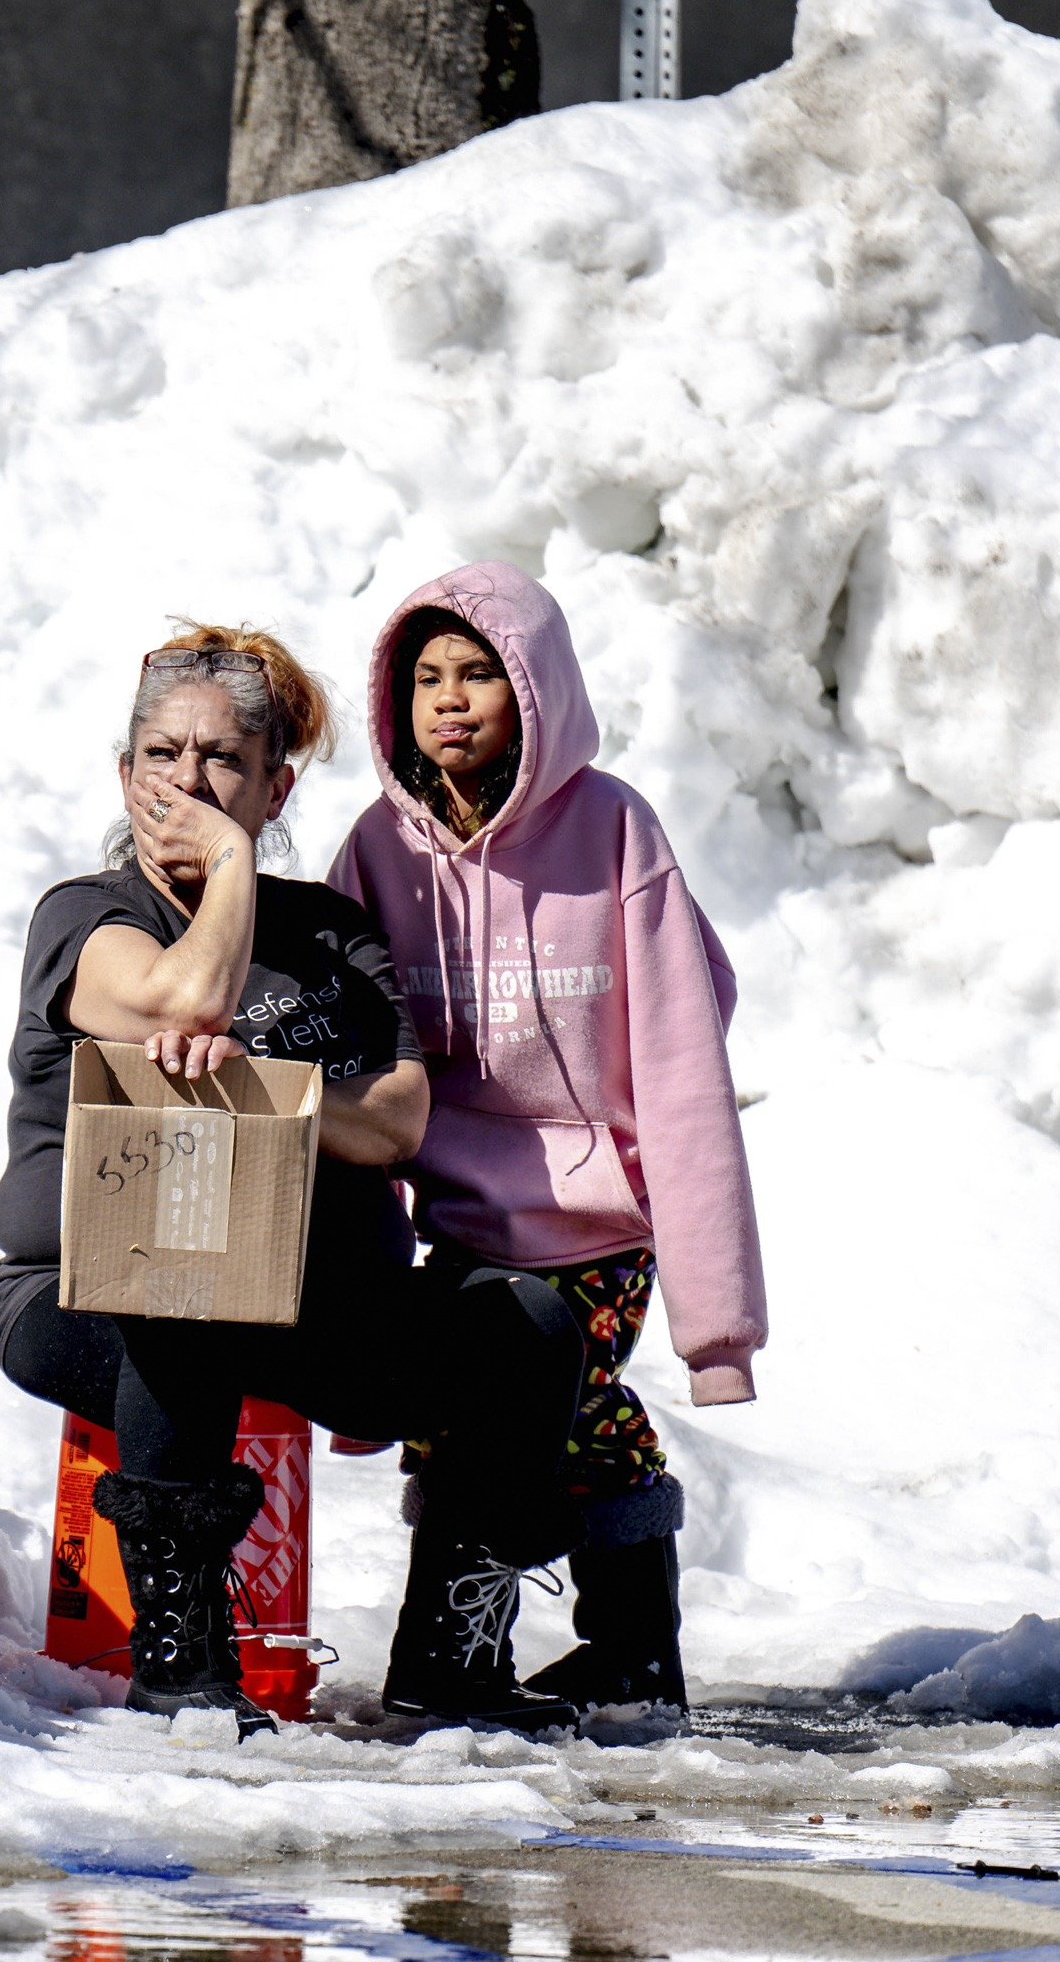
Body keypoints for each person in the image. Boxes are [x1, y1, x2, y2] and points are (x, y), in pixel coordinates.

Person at [0, 622, 592, 1737]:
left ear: (276, 785)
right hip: (86, 1292)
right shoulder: (87, 916)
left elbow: (399, 1112)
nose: (188, 782)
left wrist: (251, 1096)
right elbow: (181, 1002)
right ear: (124, 775)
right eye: (161, 755)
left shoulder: (328, 931)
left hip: (318, 1300)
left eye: (222, 760)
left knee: (529, 1327)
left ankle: (450, 1651)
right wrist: (225, 871)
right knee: (190, 1278)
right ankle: (181, 1658)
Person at [328, 561, 769, 1719]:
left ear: (536, 690)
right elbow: (342, 1049)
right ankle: (633, 1654)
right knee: (541, 1414)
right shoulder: (381, 849)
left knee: (522, 1396)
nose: (452, 698)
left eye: (478, 672)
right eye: (427, 677)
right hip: (462, 1221)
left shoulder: (615, 830)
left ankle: (447, 1660)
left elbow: (684, 1067)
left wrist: (717, 1329)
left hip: (601, 1224)